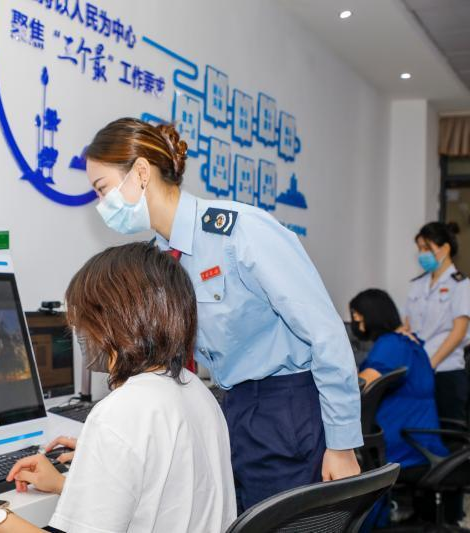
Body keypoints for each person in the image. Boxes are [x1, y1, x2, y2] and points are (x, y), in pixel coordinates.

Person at [84, 118, 362, 511]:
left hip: (287, 409)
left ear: (141, 172)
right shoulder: (158, 259)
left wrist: (342, 443)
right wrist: (108, 438)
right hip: (233, 407)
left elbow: (326, 334)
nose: (102, 205)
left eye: (102, 189)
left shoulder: (239, 232)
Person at [0, 243, 237, 532]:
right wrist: (70, 484)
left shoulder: (122, 411)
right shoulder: (194, 389)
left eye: (82, 318)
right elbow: (165, 499)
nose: (78, 330)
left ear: (110, 321)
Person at [350, 288, 450, 530]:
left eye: (357, 316)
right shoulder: (410, 343)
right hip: (422, 442)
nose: (356, 323)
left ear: (370, 315)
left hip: (403, 448)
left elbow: (361, 385)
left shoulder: (391, 344)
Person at [404, 222, 470, 423]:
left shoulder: (461, 285)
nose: (422, 254)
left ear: (445, 248)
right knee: (418, 429)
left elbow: (459, 332)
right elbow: (407, 325)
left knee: (448, 432)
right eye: (420, 249)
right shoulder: (417, 284)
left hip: (446, 371)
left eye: (426, 248)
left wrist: (431, 363)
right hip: (416, 369)